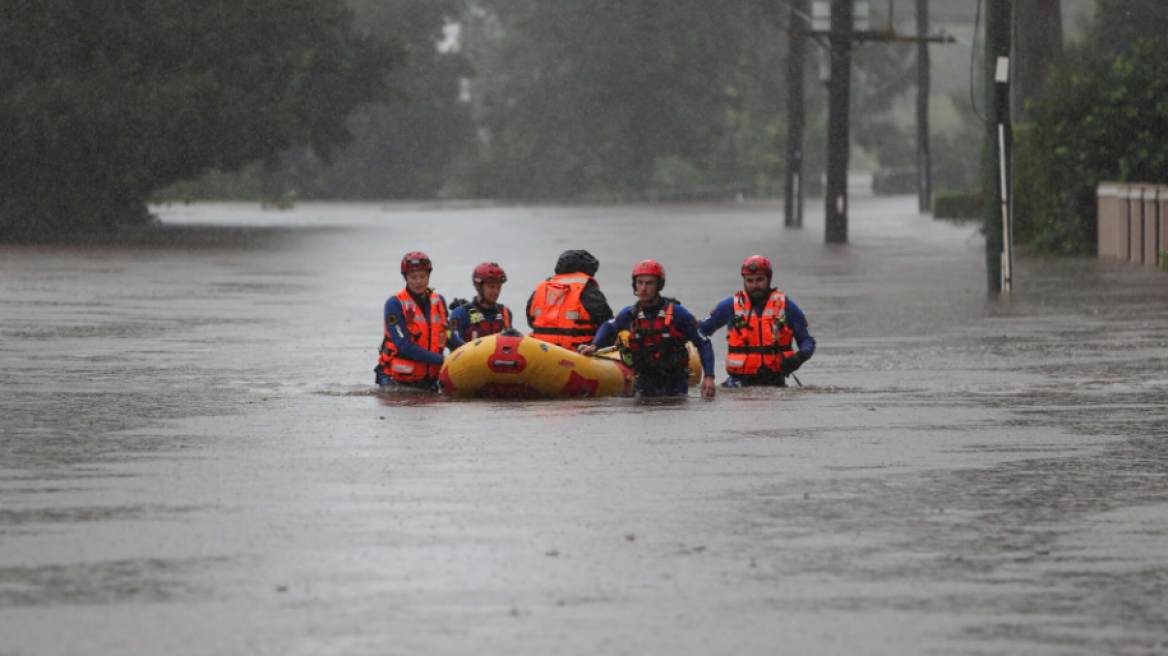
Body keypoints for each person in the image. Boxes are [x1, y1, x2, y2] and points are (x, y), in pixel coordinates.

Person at [579, 260, 716, 399]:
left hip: (675, 385)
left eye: (649, 283)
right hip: (643, 382)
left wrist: (709, 377)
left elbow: (703, 343)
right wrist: (594, 345)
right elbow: (608, 326)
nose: (643, 288)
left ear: (658, 285)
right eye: (639, 282)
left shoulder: (678, 313)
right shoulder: (630, 314)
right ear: (635, 285)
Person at [699, 255, 815, 387]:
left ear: (769, 279)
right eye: (750, 281)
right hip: (737, 386)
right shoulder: (730, 306)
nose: (755, 286)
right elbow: (700, 330)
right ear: (744, 281)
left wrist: (799, 357)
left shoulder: (787, 307)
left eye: (760, 280)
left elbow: (807, 340)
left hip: (776, 385)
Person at [374, 251, 465, 390]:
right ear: (405, 278)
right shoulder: (394, 303)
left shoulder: (439, 301)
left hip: (428, 380)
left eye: (423, 276)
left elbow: (448, 335)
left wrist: (469, 352)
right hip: (394, 379)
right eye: (413, 277)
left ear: (429, 276)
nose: (419, 281)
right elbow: (404, 345)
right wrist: (443, 360)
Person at [526, 249, 614, 349]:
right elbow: (608, 325)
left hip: (542, 351)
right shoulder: (588, 291)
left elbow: (530, 320)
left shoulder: (540, 290)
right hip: (578, 354)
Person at [448, 262, 515, 341]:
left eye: (499, 287)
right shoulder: (461, 314)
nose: (496, 292)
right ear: (478, 286)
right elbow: (455, 347)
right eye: (491, 287)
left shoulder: (505, 313)